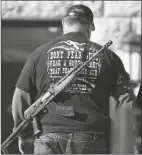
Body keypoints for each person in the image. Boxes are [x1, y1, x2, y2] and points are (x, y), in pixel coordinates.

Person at [12, 4, 137, 154]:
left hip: (49, 140)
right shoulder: (109, 57)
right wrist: (127, 140)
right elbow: (126, 103)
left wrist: (24, 136)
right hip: (92, 140)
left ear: (64, 23)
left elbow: (20, 98)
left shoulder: (39, 54)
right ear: (90, 26)